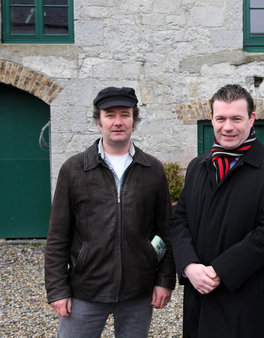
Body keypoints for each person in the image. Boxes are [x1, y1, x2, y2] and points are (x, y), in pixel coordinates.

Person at [45, 86, 176, 337]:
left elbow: (165, 233)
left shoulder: (152, 170)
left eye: (125, 114)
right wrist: (58, 289)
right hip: (86, 289)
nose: (118, 122)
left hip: (138, 292)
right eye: (110, 115)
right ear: (98, 121)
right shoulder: (74, 170)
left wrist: (164, 280)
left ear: (134, 122)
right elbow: (58, 236)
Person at [170, 84, 264, 337]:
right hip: (200, 295)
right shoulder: (198, 167)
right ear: (211, 119)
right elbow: (179, 220)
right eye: (221, 118)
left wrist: (218, 271)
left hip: (248, 303)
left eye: (236, 118)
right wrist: (189, 265)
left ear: (252, 119)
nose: (228, 127)